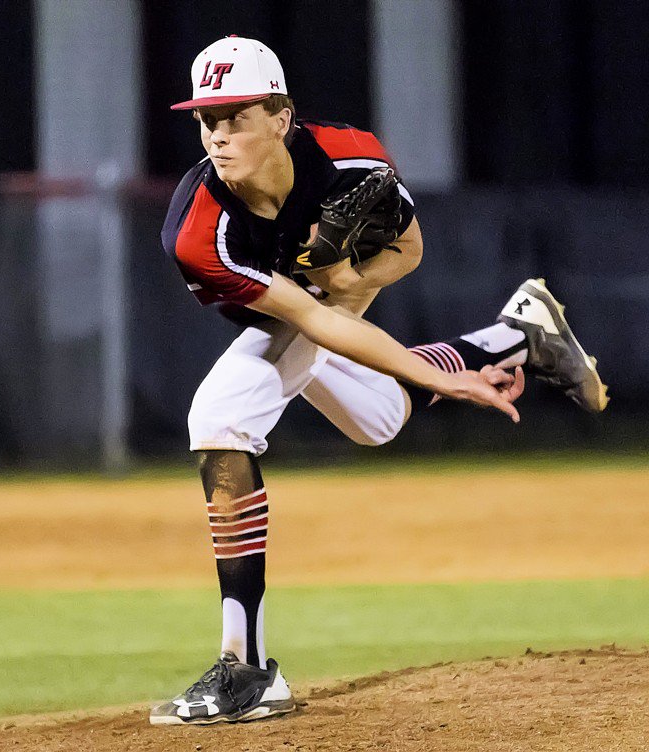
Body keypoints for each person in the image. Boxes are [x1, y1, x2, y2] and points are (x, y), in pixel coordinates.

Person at [150, 36, 608, 726]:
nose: (218, 135)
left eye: (236, 115)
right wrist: (430, 372)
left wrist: (348, 282)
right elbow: (307, 318)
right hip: (291, 308)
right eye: (207, 119)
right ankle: (516, 335)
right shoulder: (197, 229)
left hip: (332, 300)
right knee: (380, 418)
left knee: (218, 417)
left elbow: (409, 249)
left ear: (281, 117)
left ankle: (246, 669)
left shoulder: (350, 157)